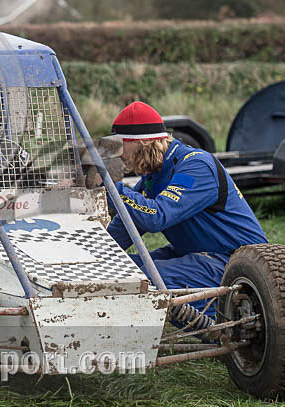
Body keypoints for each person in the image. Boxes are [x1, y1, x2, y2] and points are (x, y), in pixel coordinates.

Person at [106, 101, 268, 321]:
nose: (119, 155)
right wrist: (87, 259)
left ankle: (223, 327)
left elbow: (157, 217)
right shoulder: (154, 175)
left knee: (143, 279)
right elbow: (127, 227)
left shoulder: (197, 165)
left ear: (142, 143)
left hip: (237, 265)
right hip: (199, 254)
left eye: (120, 145)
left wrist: (108, 187)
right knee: (123, 270)